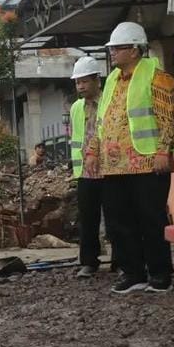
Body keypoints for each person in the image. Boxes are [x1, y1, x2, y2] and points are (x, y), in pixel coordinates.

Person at [88, 22, 174, 294]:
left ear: (135, 50)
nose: (112, 53)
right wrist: (93, 151)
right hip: (114, 167)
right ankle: (133, 273)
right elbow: (102, 122)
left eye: (117, 48)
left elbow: (169, 119)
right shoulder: (112, 82)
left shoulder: (158, 77)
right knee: (119, 223)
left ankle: (160, 274)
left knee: (151, 219)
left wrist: (164, 150)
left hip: (148, 162)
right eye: (112, 48)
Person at [69, 56, 107, 278]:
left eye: (84, 81)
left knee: (115, 218)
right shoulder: (76, 108)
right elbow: (76, 138)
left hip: (109, 169)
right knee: (88, 219)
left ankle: (121, 261)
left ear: (96, 81)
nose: (80, 86)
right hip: (84, 172)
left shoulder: (108, 102)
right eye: (77, 82)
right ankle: (89, 262)